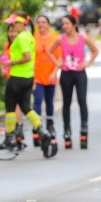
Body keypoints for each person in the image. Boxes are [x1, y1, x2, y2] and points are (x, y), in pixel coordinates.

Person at [0, 12, 55, 156]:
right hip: (28, 78)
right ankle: (42, 130)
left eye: (14, 24)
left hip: (16, 77)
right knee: (26, 107)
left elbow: (27, 57)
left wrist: (11, 62)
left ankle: (9, 138)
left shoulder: (21, 38)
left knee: (10, 108)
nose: (12, 26)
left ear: (22, 24)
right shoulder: (29, 36)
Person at [47, 14, 99, 149]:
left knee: (82, 100)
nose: (64, 26)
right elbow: (49, 51)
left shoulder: (83, 38)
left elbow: (95, 50)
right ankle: (67, 131)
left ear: (73, 25)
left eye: (67, 24)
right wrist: (57, 62)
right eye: (63, 24)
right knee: (67, 103)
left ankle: (84, 128)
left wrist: (87, 62)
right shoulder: (61, 39)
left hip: (80, 73)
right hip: (66, 73)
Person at [31, 15, 61, 146]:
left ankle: (50, 125)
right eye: (39, 22)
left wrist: (54, 73)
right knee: (37, 100)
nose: (41, 24)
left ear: (48, 24)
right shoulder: (33, 38)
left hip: (50, 75)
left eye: (44, 22)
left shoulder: (54, 39)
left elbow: (59, 58)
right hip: (37, 75)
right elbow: (30, 58)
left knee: (49, 102)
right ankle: (37, 127)